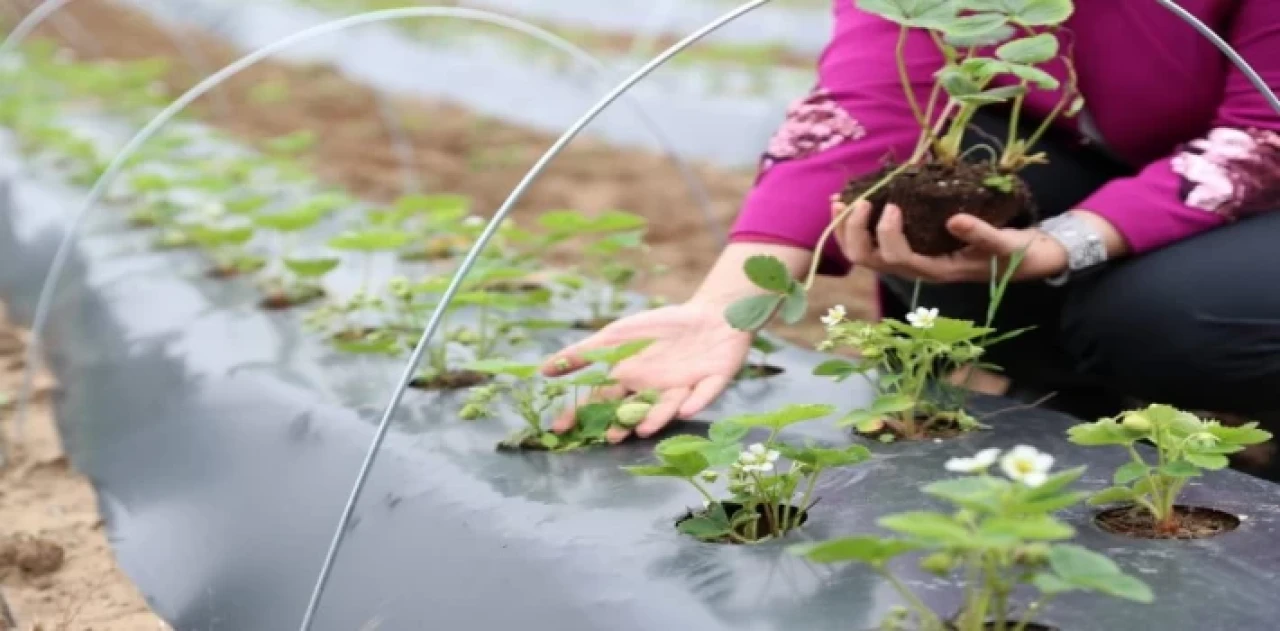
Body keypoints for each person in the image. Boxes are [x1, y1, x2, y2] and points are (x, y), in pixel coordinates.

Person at [540, 0, 1280, 447]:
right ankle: (1072, 409)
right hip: (1145, 163)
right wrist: (720, 310)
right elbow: (862, 110)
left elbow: (1266, 126)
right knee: (919, 193)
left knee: (1166, 317)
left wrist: (1068, 242)